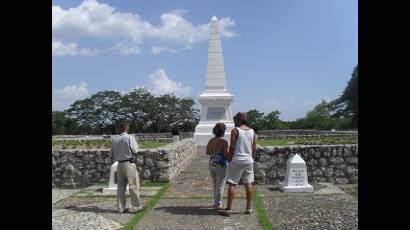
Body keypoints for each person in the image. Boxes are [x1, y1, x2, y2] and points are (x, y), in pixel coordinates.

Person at [219, 112, 256, 216]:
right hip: (248, 160)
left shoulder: (235, 130)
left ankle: (229, 209)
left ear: (239, 120)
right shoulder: (252, 131)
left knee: (232, 183)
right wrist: (251, 157)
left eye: (235, 120)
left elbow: (232, 146)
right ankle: (249, 208)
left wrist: (230, 158)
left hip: (237, 159)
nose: (234, 122)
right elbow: (254, 147)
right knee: (248, 183)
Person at [109, 121, 143, 214]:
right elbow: (135, 150)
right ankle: (136, 207)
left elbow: (111, 154)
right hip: (129, 163)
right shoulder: (129, 138)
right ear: (127, 128)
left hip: (119, 164)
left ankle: (121, 208)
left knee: (120, 187)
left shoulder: (115, 140)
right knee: (133, 186)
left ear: (120, 129)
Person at [206, 123, 229, 210]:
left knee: (215, 184)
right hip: (221, 164)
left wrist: (214, 152)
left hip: (212, 163)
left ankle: (216, 202)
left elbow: (207, 152)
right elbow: (226, 155)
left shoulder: (211, 140)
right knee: (220, 185)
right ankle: (218, 204)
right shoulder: (224, 142)